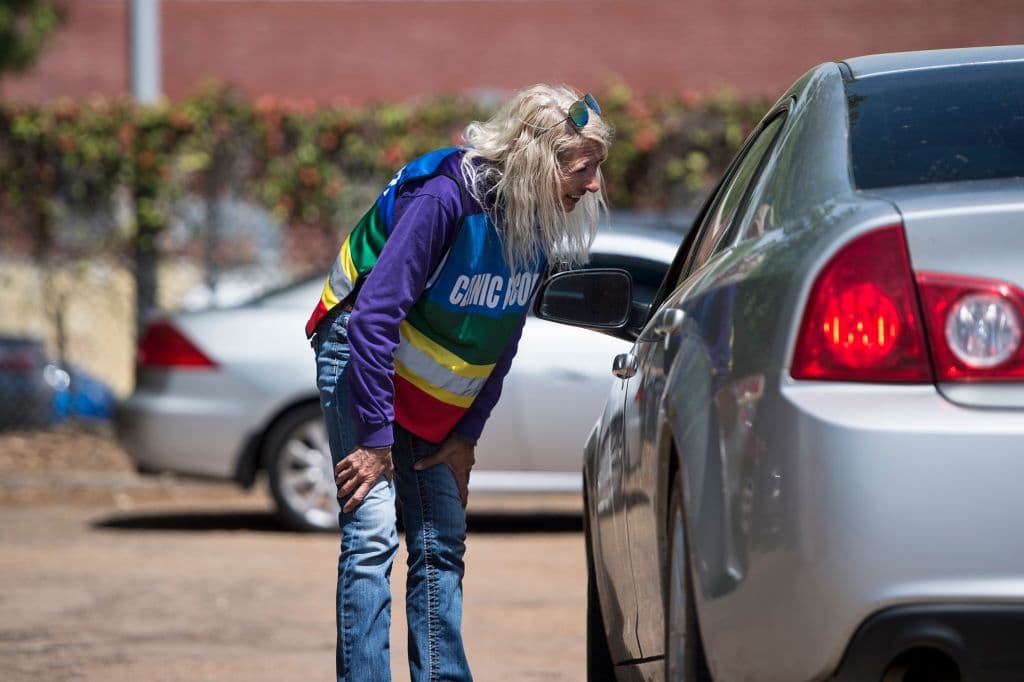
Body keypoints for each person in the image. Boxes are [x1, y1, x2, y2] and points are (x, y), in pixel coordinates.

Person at [306, 84, 613, 682]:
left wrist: (465, 435)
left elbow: (502, 337)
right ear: (535, 160)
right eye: (583, 169)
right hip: (358, 347)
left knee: (441, 538)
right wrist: (375, 441)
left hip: (416, 371)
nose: (594, 185)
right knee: (372, 533)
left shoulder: (533, 221)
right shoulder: (445, 197)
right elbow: (373, 320)